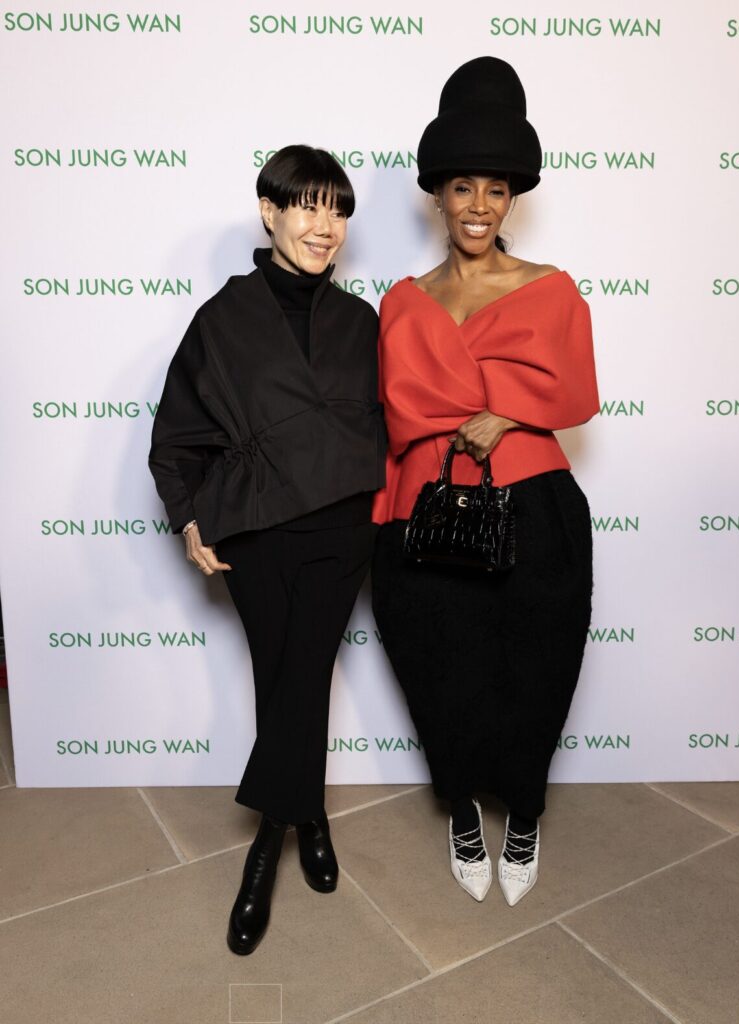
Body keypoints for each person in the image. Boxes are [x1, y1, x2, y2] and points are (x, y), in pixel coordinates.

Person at [371, 58, 599, 907]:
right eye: (462, 186)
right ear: (437, 195)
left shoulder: (551, 289)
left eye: (495, 190)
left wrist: (506, 412)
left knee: (539, 665)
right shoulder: (402, 301)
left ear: (512, 200)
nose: (478, 205)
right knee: (440, 668)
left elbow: (576, 390)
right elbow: (391, 416)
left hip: (533, 507)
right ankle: (463, 810)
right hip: (424, 509)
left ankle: (525, 812)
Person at [148, 145, 385, 954]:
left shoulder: (362, 322)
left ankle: (263, 850)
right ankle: (309, 816)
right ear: (270, 211)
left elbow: (388, 423)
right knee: (281, 677)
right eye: (308, 205)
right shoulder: (223, 318)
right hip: (255, 531)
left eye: (338, 210)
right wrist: (188, 520)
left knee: (305, 672)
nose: (325, 225)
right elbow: (177, 434)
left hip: (343, 530)